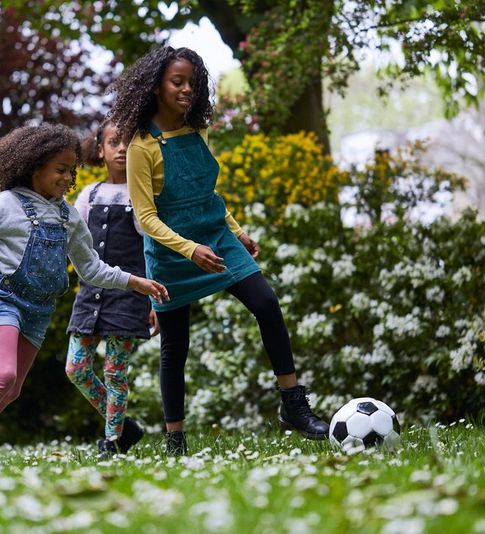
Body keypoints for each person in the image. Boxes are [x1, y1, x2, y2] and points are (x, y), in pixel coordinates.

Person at [108, 46, 329, 455]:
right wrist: (190, 250)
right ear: (157, 86)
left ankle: (293, 404)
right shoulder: (141, 145)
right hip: (172, 251)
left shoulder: (197, 129)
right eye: (178, 82)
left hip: (216, 236)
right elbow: (146, 217)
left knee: (266, 303)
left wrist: (237, 231)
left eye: (193, 82)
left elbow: (206, 193)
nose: (187, 89)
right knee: (175, 347)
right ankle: (175, 439)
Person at [0, 123, 169, 464]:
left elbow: (91, 268)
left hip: (39, 309)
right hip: (6, 299)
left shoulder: (68, 216)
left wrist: (135, 282)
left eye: (73, 171)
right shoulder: (5, 204)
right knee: (3, 374)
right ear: (35, 169)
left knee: (14, 388)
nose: (68, 178)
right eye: (60, 170)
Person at [65, 120, 160, 459]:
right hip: (90, 294)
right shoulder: (88, 195)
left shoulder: (141, 194)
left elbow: (152, 248)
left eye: (128, 143)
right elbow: (73, 240)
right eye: (114, 142)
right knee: (76, 368)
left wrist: (153, 299)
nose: (121, 148)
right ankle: (124, 426)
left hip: (129, 294)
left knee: (114, 370)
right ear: (100, 150)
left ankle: (112, 441)